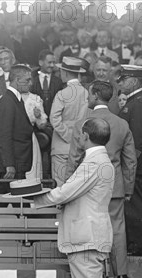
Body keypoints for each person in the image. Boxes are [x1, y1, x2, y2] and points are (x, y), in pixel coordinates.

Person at [67, 81, 137, 278]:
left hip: (87, 186)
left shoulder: (82, 123)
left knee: (89, 226)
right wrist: (128, 187)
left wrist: (69, 186)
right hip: (114, 184)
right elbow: (130, 160)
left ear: (96, 95)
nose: (87, 98)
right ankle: (120, 273)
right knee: (117, 227)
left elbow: (73, 158)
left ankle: (97, 274)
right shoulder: (122, 123)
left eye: (89, 94)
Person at [34, 118, 115, 278]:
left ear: (85, 136)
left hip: (86, 236)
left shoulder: (94, 162)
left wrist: (32, 198)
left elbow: (66, 192)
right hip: (90, 234)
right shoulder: (99, 160)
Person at [117, 65, 142, 256]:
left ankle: (140, 245)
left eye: (123, 80)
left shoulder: (140, 102)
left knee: (135, 203)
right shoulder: (136, 101)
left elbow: (139, 139)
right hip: (132, 161)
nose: (121, 84)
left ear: (133, 81)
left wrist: (129, 163)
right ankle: (137, 243)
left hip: (135, 163)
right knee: (133, 203)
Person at [0, 64, 36, 194]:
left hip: (17, 161)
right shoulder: (8, 101)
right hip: (13, 163)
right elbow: (4, 135)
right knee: (16, 199)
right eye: (27, 80)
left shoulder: (15, 99)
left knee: (11, 198)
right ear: (17, 80)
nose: (31, 83)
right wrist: (9, 164)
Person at [50, 57, 89, 186]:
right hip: (80, 146)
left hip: (61, 146)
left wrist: (68, 136)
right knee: (77, 185)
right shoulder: (87, 93)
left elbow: (54, 119)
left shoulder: (62, 94)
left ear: (65, 72)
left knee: (60, 185)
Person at [31, 50, 63, 117]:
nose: (52, 65)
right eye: (49, 62)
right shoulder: (32, 80)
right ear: (40, 62)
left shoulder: (58, 82)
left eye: (53, 62)